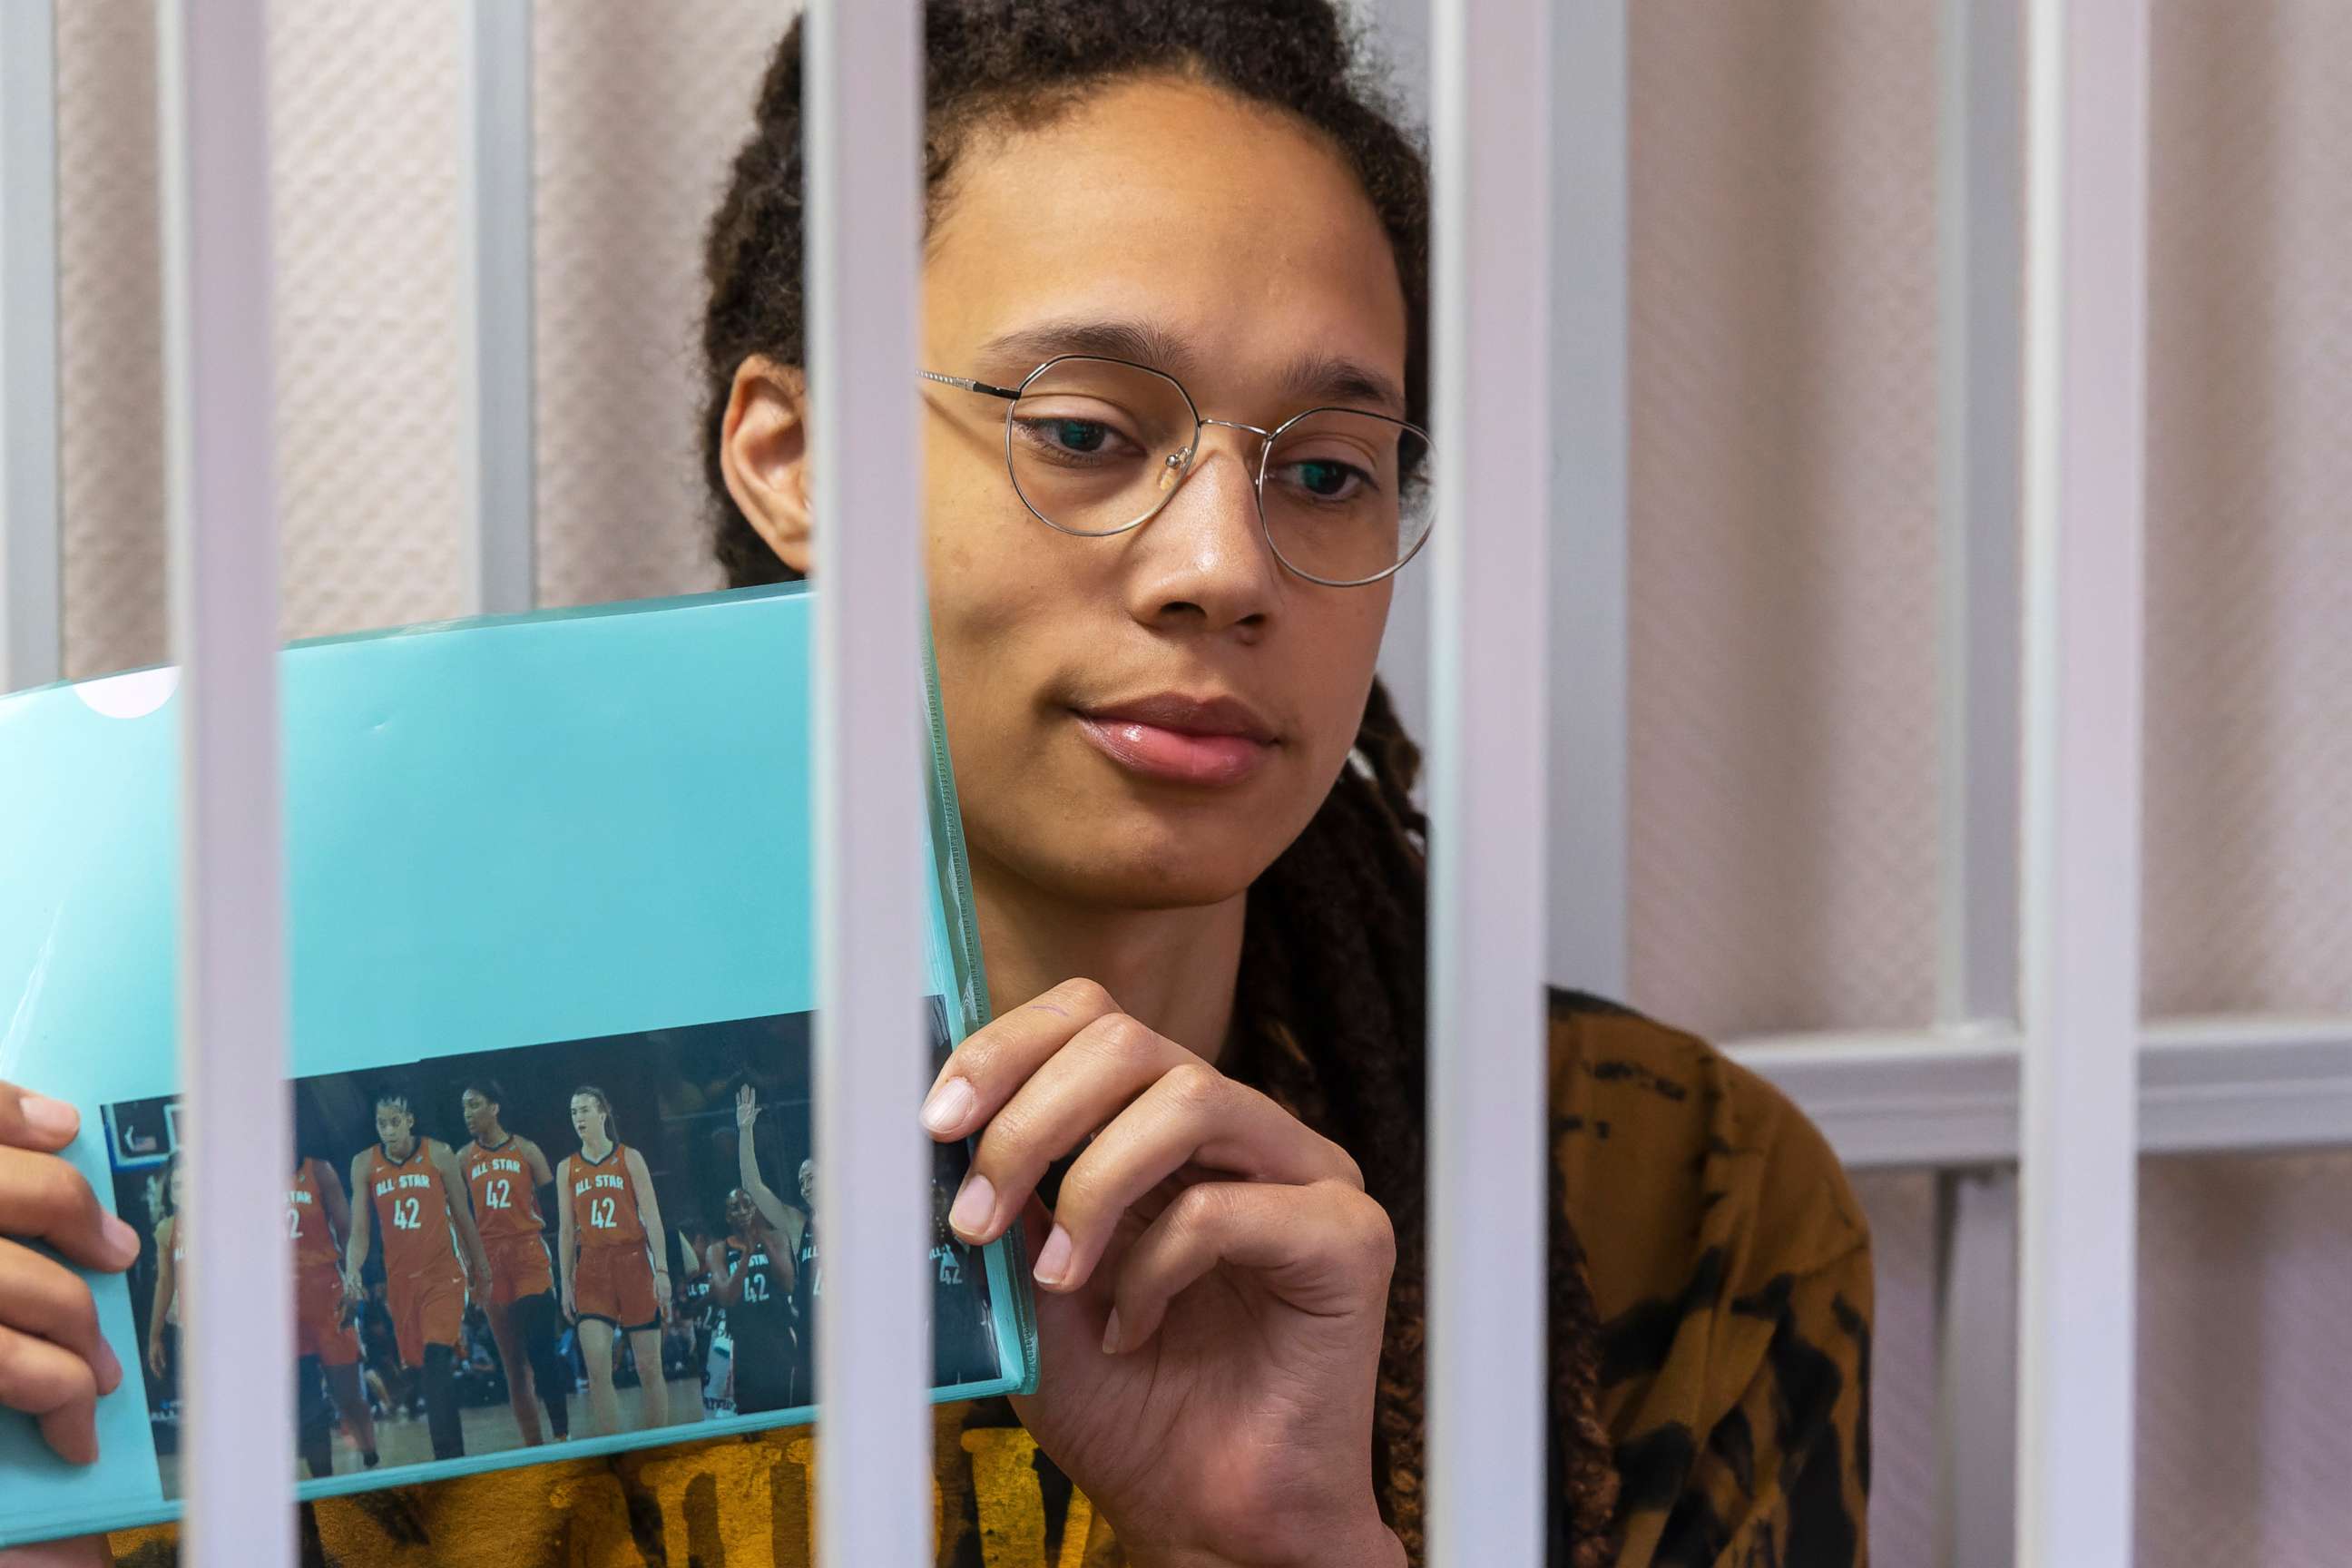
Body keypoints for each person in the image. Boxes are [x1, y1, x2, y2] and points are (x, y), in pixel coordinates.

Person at [4, 5, 1870, 1563]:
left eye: (1327, 471)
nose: (1220, 563)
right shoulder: (259, 1184)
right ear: (791, 456)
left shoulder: (1668, 1202)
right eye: (1082, 432)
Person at [344, 1092, 493, 1463]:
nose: (389, 1130)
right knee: (425, 1366)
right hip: (402, 1284)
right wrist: (351, 1271)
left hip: (444, 1276)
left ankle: (450, 1459)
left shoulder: (439, 1154)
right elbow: (360, 1232)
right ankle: (432, 1433)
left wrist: (481, 1269)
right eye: (382, 1123)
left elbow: (463, 1215)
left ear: (410, 1120)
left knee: (437, 1355)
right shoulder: (364, 1164)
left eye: (395, 1122)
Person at [453, 1079, 571, 1445]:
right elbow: (456, 1218)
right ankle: (534, 1449)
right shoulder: (461, 1158)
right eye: (464, 1107)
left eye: (474, 1105)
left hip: (528, 1254)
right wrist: (466, 1267)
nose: (468, 1114)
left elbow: (557, 1207)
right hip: (489, 1260)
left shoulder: (527, 1150)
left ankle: (563, 1437)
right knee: (514, 1368)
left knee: (541, 1353)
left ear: (494, 1107)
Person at [554, 1085, 672, 1436]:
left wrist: (662, 1269)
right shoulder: (567, 1168)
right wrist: (565, 1283)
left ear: (603, 1113)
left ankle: (658, 1447)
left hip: (634, 1262)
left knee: (649, 1367)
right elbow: (565, 1231)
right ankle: (616, 1450)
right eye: (574, 1112)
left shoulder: (629, 1158)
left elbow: (652, 1217)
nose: (579, 1118)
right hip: (591, 1268)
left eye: (585, 1110)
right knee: (596, 1369)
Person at [705, 1084, 803, 1415]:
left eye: (748, 1205)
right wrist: (745, 1130)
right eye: (736, 1208)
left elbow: (788, 1283)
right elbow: (726, 1297)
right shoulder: (720, 1250)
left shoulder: (776, 1236)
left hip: (784, 1337)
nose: (744, 1211)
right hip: (747, 1344)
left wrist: (759, 1242)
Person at [287, 1153, 379, 1475]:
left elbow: (346, 1230)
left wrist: (353, 1281)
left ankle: (370, 1452)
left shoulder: (320, 1170)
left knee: (347, 1393)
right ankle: (322, 1480)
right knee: (306, 1399)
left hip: (326, 1293)